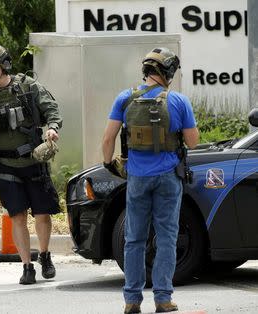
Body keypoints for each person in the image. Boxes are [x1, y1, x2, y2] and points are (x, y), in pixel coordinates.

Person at [102, 47, 199, 314]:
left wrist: (109, 164)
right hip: (168, 178)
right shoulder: (179, 101)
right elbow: (193, 141)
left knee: (134, 238)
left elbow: (108, 139)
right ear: (167, 72)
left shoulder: (125, 98)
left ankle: (132, 300)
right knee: (167, 237)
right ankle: (163, 299)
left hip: (137, 177)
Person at [0, 44, 62, 285]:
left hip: (33, 160)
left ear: (4, 66)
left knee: (42, 213)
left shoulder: (26, 85)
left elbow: (50, 106)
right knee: (17, 217)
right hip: (5, 165)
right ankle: (27, 266)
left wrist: (52, 127)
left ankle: (44, 255)